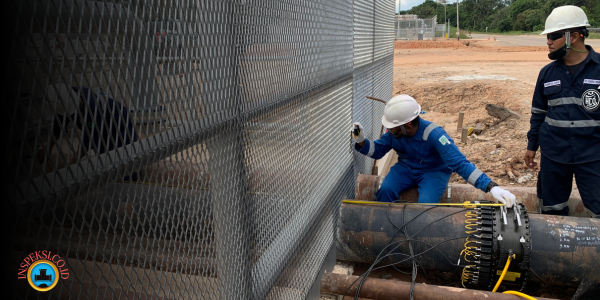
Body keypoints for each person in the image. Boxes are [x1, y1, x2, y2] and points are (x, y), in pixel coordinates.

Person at [352, 94, 516, 206]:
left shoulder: (435, 135)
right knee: (385, 191)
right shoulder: (395, 134)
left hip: (434, 171)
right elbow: (378, 151)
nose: (390, 131)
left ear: (407, 126)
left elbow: (460, 164)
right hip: (406, 168)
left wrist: (491, 187)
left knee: (425, 208)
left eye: (393, 127)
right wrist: (361, 141)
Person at [524, 5, 599, 218]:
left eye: (553, 36)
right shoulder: (547, 73)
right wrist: (532, 146)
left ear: (574, 36)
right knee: (551, 211)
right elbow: (538, 113)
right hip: (554, 154)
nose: (548, 41)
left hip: (593, 155)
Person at [38, 83, 139, 180]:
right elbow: (57, 128)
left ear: (75, 95)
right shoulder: (62, 100)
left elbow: (87, 142)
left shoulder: (93, 106)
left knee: (122, 157)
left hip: (120, 123)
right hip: (101, 126)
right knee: (103, 157)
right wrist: (47, 149)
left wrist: (72, 164)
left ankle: (129, 182)